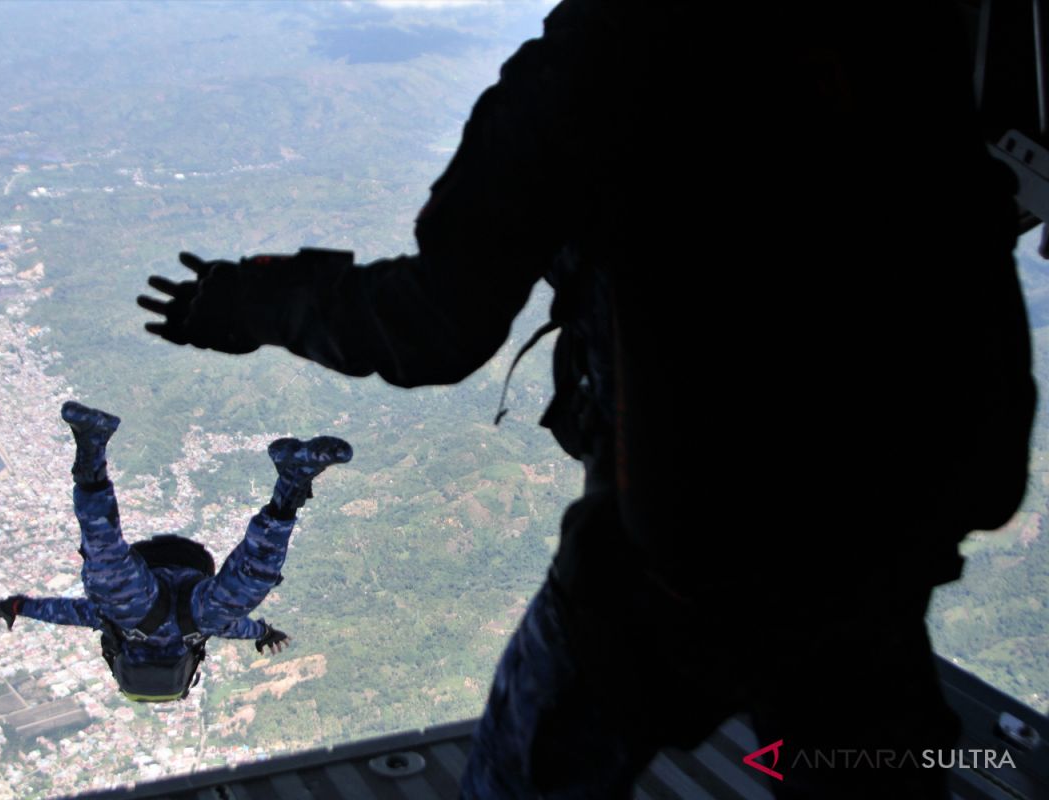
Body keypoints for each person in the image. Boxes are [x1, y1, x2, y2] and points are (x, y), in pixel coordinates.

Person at [136, 1, 1036, 796]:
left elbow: (434, 326)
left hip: (674, 554)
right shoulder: (920, 37)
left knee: (526, 772)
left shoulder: (605, 56)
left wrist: (254, 301)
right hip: (878, 542)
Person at [0, 401, 352, 703]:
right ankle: (291, 478)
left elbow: (240, 625)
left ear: (189, 669)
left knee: (250, 584)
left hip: (170, 584)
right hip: (173, 590)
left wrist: (264, 632)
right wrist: (14, 606)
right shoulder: (124, 627)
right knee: (106, 562)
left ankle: (92, 450)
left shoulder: (169, 630)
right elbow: (59, 612)